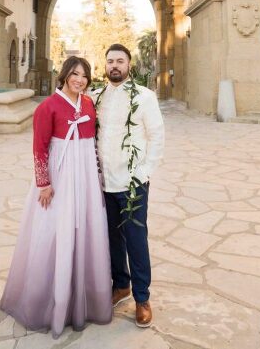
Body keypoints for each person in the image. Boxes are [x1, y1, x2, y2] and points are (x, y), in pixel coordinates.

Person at [0, 56, 112, 338]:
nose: (80, 80)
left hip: (84, 174)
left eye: (85, 75)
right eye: (74, 74)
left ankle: (82, 300)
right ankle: (50, 300)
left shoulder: (87, 104)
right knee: (54, 230)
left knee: (85, 229)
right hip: (59, 176)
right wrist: (44, 183)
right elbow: (39, 148)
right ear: (64, 76)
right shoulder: (47, 106)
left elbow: (91, 143)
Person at [95, 43, 164, 329]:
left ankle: (142, 298)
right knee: (112, 239)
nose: (114, 65)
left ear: (128, 64)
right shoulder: (97, 97)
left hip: (132, 183)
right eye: (110, 60)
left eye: (119, 61)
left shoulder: (144, 97)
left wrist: (144, 173)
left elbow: (156, 135)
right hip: (105, 183)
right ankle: (120, 285)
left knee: (136, 241)